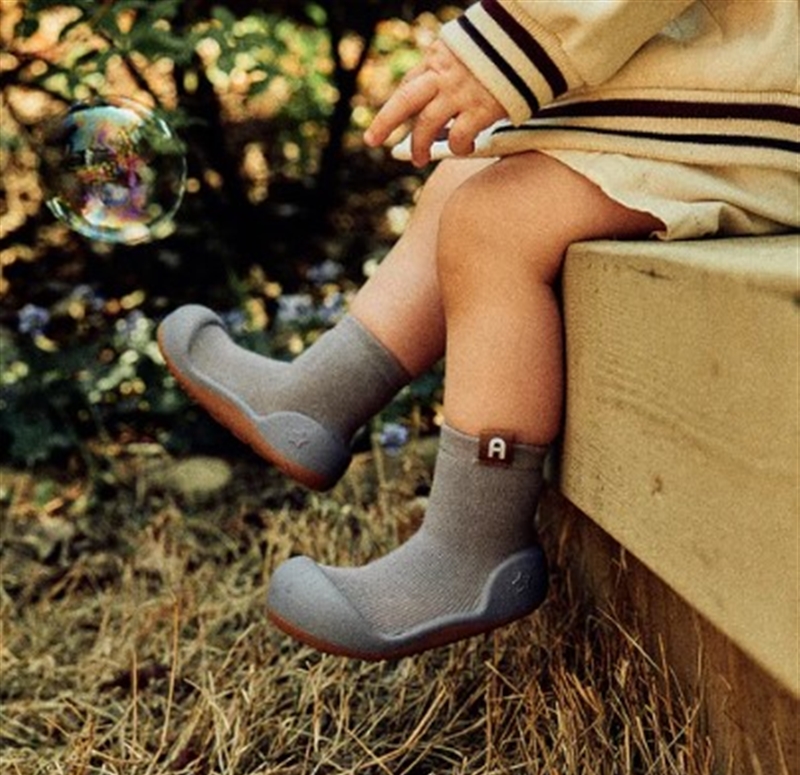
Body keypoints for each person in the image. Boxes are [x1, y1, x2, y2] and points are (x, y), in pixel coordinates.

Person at [158, 1, 799, 660]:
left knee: (495, 224)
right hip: (723, 80)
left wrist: (514, 41)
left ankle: (472, 548)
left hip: (753, 105)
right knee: (461, 177)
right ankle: (319, 396)